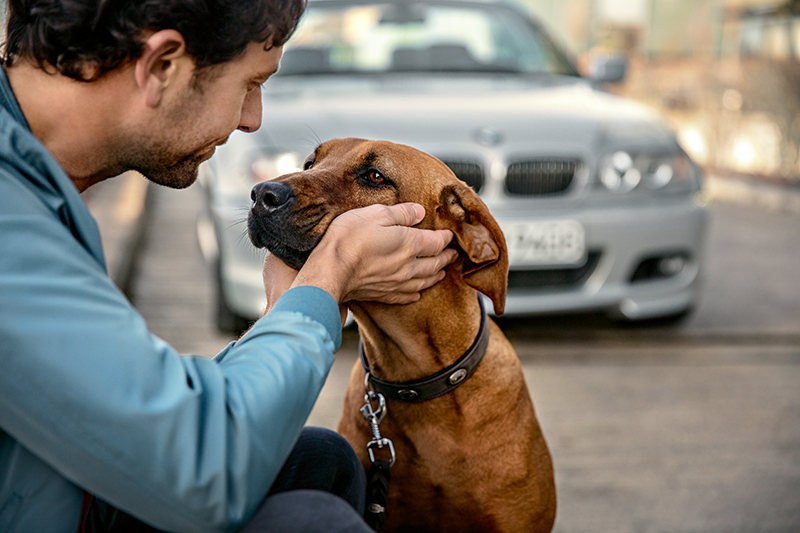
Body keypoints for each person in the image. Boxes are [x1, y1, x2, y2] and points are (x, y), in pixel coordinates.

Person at [0, 0, 456, 531]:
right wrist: (324, 282)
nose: (251, 118)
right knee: (312, 521)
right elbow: (202, 472)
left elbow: (130, 406)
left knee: (320, 461)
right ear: (162, 66)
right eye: (250, 83)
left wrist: (282, 314)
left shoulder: (30, 182)